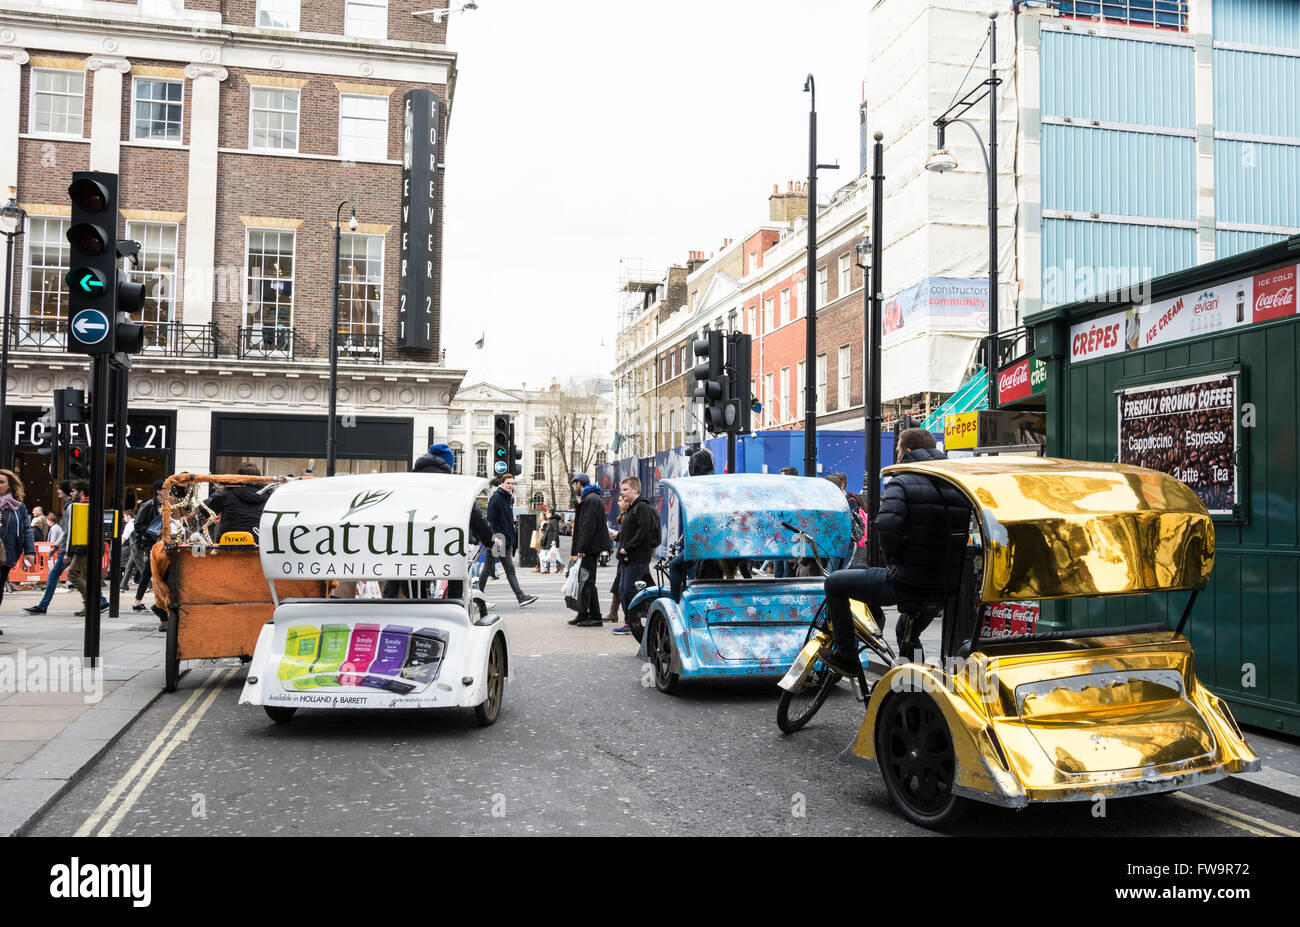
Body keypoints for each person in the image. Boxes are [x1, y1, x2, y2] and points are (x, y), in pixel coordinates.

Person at [818, 428, 971, 675]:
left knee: (835, 583)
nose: (897, 455)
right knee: (906, 633)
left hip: (907, 581)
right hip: (945, 585)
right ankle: (917, 682)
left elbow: (887, 527)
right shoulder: (956, 486)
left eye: (898, 450)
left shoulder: (901, 481)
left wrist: (895, 561)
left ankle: (845, 655)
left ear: (907, 451)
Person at [383, 444, 499, 602]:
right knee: (456, 574)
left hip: (407, 549)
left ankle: (391, 609)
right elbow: (476, 518)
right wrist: (489, 540)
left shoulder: (407, 484)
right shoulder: (453, 487)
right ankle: (454, 610)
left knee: (408, 587)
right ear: (448, 465)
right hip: (443, 549)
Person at [477, 474, 538, 607]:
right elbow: (490, 520)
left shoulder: (508, 498)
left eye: (512, 483)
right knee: (493, 569)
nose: (510, 486)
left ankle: (479, 599)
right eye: (508, 483)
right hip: (498, 539)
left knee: (493, 569)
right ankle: (519, 597)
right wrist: (492, 539)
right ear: (502, 483)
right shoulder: (496, 498)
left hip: (506, 539)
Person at [612, 476, 657, 635]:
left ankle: (633, 622)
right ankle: (630, 621)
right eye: (622, 490)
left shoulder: (641, 507)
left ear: (635, 490)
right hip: (627, 557)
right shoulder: (632, 508)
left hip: (636, 557)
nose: (622, 493)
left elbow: (643, 531)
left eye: (625, 490)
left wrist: (628, 547)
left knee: (629, 589)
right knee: (623, 589)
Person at [24, 482, 75, 616]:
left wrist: (61, 549)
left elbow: (68, 531)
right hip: (70, 547)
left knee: (54, 575)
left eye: (59, 490)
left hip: (68, 548)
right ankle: (101, 601)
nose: (58, 492)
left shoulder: (70, 507)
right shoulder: (69, 506)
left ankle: (43, 606)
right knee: (79, 576)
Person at [0, 469, 37, 634]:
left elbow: (26, 529)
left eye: (1, 482)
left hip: (5, 553)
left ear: (9, 485)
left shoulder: (17, 506)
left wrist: (30, 551)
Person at [568, 473, 606, 627]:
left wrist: (582, 548)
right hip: (592, 547)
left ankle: (595, 616)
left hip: (590, 548)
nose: (573, 488)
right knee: (585, 581)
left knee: (588, 582)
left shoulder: (590, 499)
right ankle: (583, 613)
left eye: (574, 485)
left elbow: (588, 525)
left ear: (578, 483)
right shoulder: (590, 498)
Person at [128, 481, 168, 615]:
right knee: (149, 571)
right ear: (158, 491)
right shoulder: (149, 505)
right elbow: (138, 524)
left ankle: (139, 602)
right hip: (150, 542)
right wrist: (150, 533)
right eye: (165, 489)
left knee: (150, 571)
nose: (168, 491)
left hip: (161, 542)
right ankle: (141, 602)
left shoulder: (167, 505)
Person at [206, 462, 271, 538]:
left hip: (228, 544)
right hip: (258, 544)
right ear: (259, 478)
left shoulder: (227, 494)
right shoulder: (268, 496)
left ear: (237, 477)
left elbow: (206, 511)